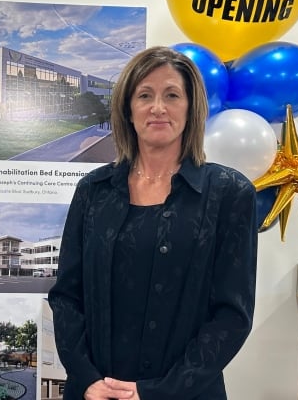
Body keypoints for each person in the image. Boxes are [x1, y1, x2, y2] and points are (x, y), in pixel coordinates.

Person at [47, 46, 257, 400]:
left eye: (172, 95)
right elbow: (67, 296)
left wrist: (159, 391)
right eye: (145, 95)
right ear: (128, 109)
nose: (158, 107)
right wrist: (86, 378)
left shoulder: (230, 194)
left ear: (191, 108)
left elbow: (232, 314)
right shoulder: (93, 191)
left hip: (187, 394)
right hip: (97, 393)